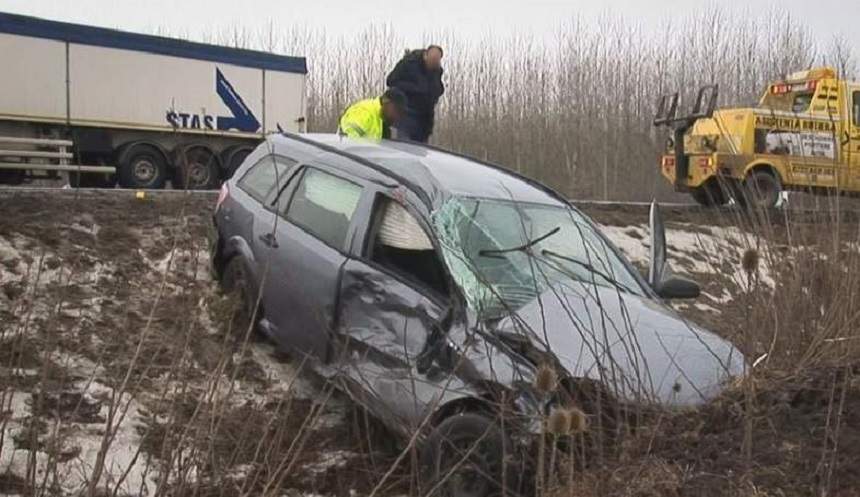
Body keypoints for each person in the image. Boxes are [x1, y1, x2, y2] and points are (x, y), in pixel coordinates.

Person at [386, 45, 445, 143]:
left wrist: (435, 93)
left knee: (420, 153)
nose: (433, 64)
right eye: (432, 60)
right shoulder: (409, 63)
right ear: (425, 55)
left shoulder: (437, 71)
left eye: (436, 61)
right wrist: (415, 89)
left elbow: (438, 89)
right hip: (405, 114)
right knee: (404, 148)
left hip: (423, 120)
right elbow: (390, 81)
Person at [339, 88, 408, 140]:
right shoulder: (364, 112)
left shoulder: (381, 120)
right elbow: (349, 141)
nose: (397, 116)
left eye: (400, 113)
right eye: (396, 109)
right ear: (385, 101)